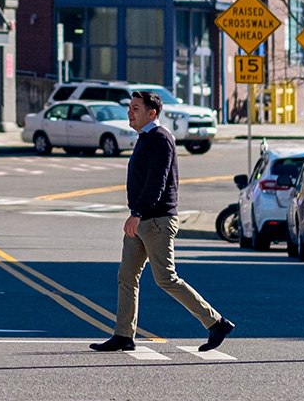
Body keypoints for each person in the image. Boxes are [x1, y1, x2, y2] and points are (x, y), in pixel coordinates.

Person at [91, 90, 234, 353]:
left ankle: (216, 322)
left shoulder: (160, 139)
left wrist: (137, 214)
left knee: (166, 278)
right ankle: (123, 335)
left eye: (135, 108)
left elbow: (156, 184)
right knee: (126, 276)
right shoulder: (145, 138)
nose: (129, 112)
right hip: (143, 219)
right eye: (130, 107)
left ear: (151, 113)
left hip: (156, 220)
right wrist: (137, 214)